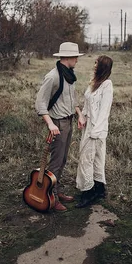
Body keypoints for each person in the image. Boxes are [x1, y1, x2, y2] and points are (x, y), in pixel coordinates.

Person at [35, 42, 85, 212]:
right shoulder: (53, 76)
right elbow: (40, 103)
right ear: (68, 57)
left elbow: (72, 97)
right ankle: (51, 197)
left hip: (69, 121)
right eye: (76, 57)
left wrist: (79, 114)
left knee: (63, 159)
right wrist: (50, 124)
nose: (77, 60)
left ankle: (56, 190)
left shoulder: (69, 74)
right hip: (57, 123)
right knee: (56, 162)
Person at [75, 55, 113, 208]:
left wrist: (95, 132)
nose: (94, 64)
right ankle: (99, 189)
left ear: (103, 66)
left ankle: (88, 193)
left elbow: (104, 111)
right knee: (96, 158)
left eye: (97, 62)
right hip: (89, 124)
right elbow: (87, 102)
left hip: (98, 128)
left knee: (86, 159)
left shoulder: (107, 85)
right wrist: (82, 117)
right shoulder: (94, 82)